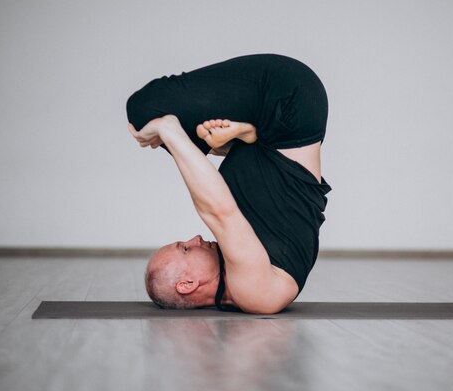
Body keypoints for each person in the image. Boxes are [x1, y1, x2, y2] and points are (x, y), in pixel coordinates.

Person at [126, 54, 331, 314]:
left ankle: (238, 134)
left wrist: (241, 138)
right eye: (186, 249)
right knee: (144, 111)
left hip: (277, 119)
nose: (196, 237)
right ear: (187, 284)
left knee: (160, 122)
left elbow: (274, 182)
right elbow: (220, 212)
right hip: (287, 101)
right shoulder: (255, 294)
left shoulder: (235, 268)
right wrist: (168, 131)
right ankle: (214, 134)